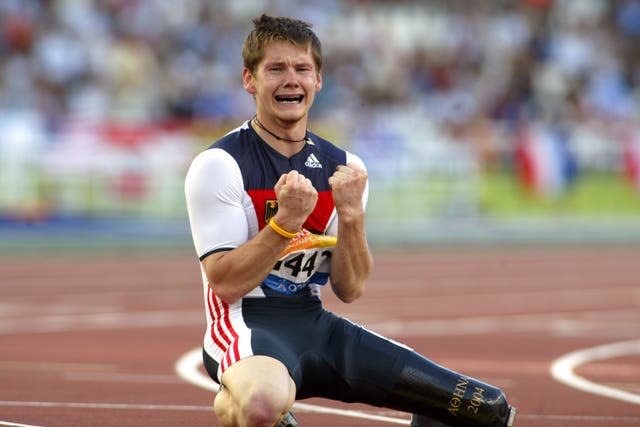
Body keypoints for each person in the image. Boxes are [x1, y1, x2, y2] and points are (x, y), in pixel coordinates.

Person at [184, 14, 517, 427]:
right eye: (276, 69)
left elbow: (351, 288)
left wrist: (352, 216)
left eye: (302, 69)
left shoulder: (344, 166)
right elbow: (225, 281)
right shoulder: (219, 164)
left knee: (484, 409)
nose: (291, 79)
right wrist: (286, 224)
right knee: (262, 405)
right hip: (245, 325)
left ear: (318, 80)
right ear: (250, 80)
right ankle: (235, 402)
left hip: (317, 325)